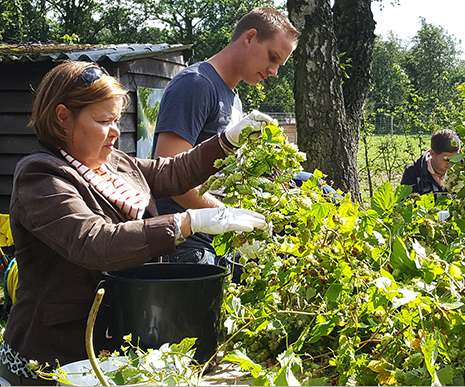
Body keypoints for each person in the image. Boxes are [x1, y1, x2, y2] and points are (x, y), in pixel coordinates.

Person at [0, 61, 270, 385]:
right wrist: (187, 222)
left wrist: (226, 141)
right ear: (62, 117)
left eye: (116, 120)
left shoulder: (114, 162)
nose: (115, 131)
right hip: (55, 353)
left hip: (113, 342)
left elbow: (172, 172)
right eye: (103, 121)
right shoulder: (41, 176)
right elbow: (95, 242)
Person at [152, 7, 301, 265]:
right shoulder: (196, 84)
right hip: (188, 251)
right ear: (249, 37)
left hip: (217, 247)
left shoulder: (234, 100)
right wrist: (228, 216)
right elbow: (168, 175)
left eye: (280, 64)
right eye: (272, 57)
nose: (274, 71)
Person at [400, 129, 461, 197]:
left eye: (456, 159)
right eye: (446, 159)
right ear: (432, 153)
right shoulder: (413, 173)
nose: (451, 164)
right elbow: (404, 203)